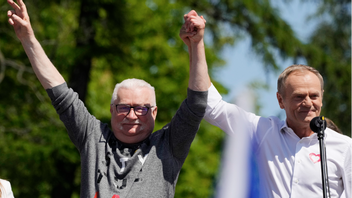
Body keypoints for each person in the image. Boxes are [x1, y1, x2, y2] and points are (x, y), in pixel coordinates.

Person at [7, 0, 210, 197]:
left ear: (154, 112)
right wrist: (28, 39)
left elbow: (196, 104)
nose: (132, 116)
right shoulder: (94, 138)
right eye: (124, 108)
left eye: (141, 109)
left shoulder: (168, 146)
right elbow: (60, 93)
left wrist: (197, 43)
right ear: (112, 109)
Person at [180, 24, 352, 196]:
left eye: (314, 96)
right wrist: (196, 45)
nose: (308, 103)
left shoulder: (344, 147)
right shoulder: (263, 131)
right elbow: (211, 106)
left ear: (322, 97)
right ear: (280, 100)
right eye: (299, 97)